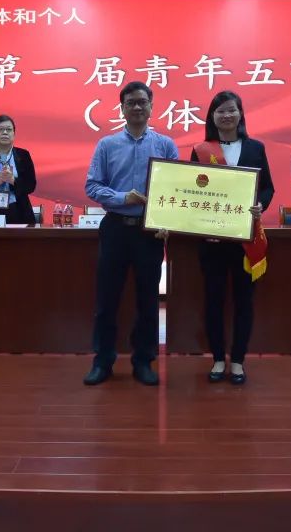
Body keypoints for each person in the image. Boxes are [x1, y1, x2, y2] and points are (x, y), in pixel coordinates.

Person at [83, 81, 179, 387]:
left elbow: (175, 189)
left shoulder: (165, 145)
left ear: (151, 106)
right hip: (115, 228)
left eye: (142, 102)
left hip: (149, 233)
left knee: (148, 300)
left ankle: (143, 361)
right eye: (130, 103)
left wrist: (167, 221)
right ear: (122, 108)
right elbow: (92, 186)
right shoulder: (107, 145)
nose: (137, 107)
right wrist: (124, 197)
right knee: (107, 299)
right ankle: (103, 361)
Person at [190, 91, 273, 385]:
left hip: (245, 240)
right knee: (213, 301)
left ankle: (237, 360)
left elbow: (267, 188)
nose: (226, 116)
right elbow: (194, 191)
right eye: (220, 111)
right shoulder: (201, 150)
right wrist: (203, 226)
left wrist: (260, 204)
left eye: (231, 110)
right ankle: (216, 359)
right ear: (212, 117)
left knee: (244, 301)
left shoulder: (255, 148)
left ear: (240, 114)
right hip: (212, 241)